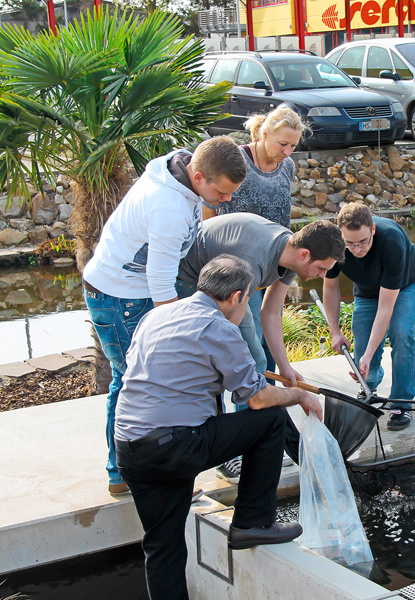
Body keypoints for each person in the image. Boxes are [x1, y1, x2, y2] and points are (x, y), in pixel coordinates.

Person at [115, 255, 323, 600]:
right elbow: (256, 398)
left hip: (131, 448)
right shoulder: (218, 327)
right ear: (236, 296)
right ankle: (252, 523)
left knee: (162, 549)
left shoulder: (156, 316)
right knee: (270, 420)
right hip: (175, 446)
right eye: (247, 301)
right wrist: (298, 394)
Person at [82, 136, 247, 496]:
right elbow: (160, 284)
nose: (227, 200)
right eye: (221, 192)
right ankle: (123, 472)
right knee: (134, 381)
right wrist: (183, 338)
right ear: (200, 176)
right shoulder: (169, 207)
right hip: (119, 297)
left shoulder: (182, 171)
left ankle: (211, 452)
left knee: (193, 366)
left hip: (137, 288)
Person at [176, 212, 346, 479]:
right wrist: (255, 369)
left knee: (257, 363)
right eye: (321, 269)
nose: (321, 276)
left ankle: (252, 444)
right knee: (243, 362)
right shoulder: (253, 262)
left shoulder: (290, 254)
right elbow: (231, 327)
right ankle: (232, 453)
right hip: (187, 276)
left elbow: (270, 311)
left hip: (225, 274)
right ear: (304, 255)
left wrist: (285, 366)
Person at [202, 107, 307, 382]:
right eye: (282, 143)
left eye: (293, 146)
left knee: (267, 343)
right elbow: (208, 210)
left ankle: (265, 406)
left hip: (273, 263)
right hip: (235, 267)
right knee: (248, 347)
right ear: (263, 133)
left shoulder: (288, 166)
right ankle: (249, 408)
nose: (287, 151)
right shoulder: (237, 161)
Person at [322, 203, 415, 431]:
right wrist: (335, 331)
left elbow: (385, 308)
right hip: (366, 291)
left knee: (400, 332)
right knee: (363, 348)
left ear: (372, 229)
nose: (357, 249)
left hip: (407, 286)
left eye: (362, 242)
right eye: (350, 244)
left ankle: (401, 402)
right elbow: (331, 287)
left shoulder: (390, 239)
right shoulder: (333, 244)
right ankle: (369, 386)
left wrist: (370, 353)